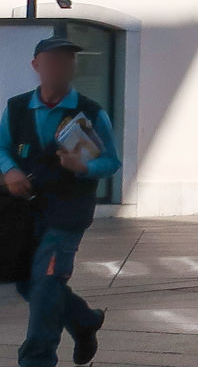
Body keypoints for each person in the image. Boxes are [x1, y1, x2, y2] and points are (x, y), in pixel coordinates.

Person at [3, 38, 117, 367]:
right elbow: (2, 147)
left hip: (67, 213)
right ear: (36, 65)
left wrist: (83, 167)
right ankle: (83, 321)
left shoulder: (91, 112)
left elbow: (111, 161)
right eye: (53, 60)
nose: (61, 67)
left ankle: (36, 359)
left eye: (67, 61)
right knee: (28, 283)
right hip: (23, 213)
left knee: (46, 285)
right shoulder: (17, 107)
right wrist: (10, 170)